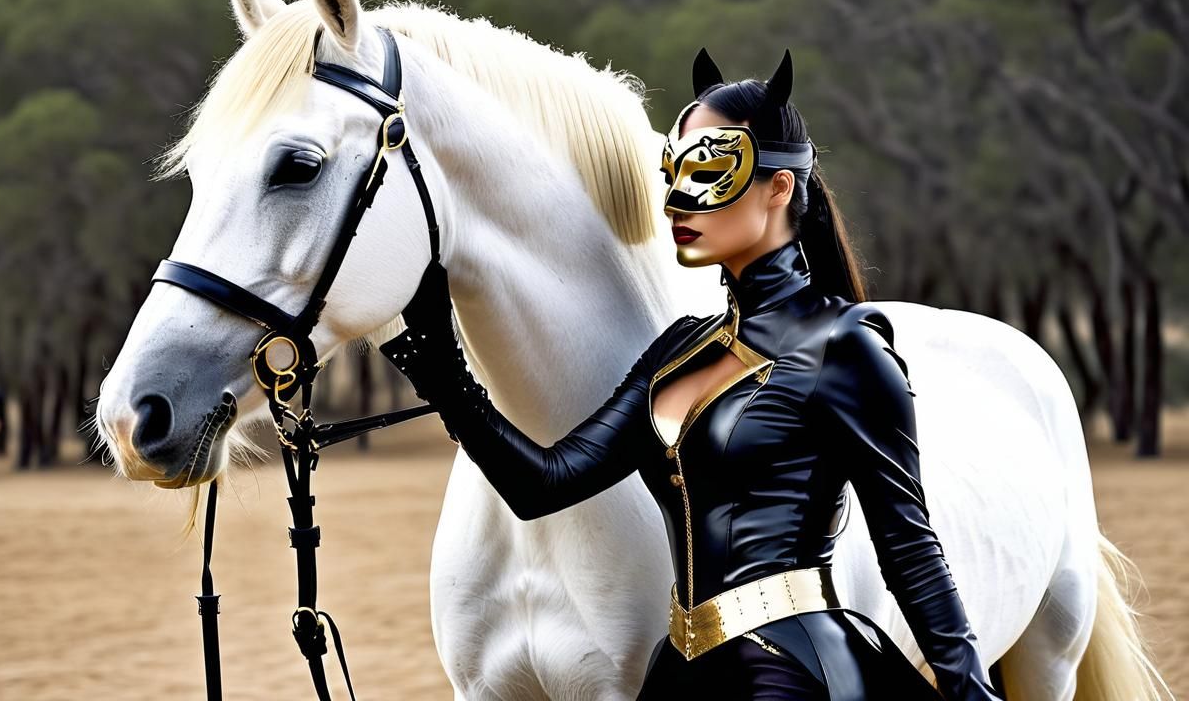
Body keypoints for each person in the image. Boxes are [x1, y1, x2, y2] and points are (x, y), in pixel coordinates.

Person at [379, 48, 1003, 700]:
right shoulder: (679, 349)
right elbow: (545, 483)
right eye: (673, 170)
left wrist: (972, 692)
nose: (677, 198)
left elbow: (910, 551)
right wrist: (443, 373)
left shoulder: (845, 349)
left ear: (779, 188)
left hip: (795, 673)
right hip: (681, 670)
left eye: (706, 170)